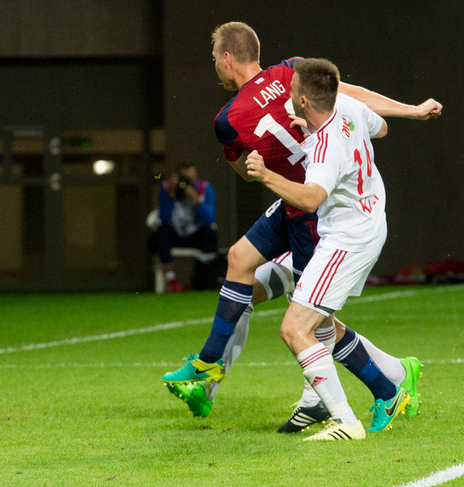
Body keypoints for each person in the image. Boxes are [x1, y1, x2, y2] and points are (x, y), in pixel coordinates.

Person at [161, 22, 440, 426]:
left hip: (316, 216)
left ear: (227, 58)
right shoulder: (291, 70)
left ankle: (378, 389)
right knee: (241, 263)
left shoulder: (228, 119)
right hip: (297, 207)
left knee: (310, 323)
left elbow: (249, 174)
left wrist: (266, 167)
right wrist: (410, 109)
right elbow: (354, 98)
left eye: (215, 59)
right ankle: (209, 371)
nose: (215, 67)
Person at [245, 58, 403, 439]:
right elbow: (381, 128)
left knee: (294, 328)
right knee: (323, 325)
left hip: (348, 239)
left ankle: (345, 421)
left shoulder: (325, 144)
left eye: (291, 88)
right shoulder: (346, 105)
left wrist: (266, 175)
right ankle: (388, 390)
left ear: (303, 100)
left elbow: (311, 198)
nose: (287, 92)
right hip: (368, 222)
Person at [153, 163, 218, 293]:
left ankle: (200, 279)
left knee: (211, 234)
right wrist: (171, 194)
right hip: (175, 235)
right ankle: (171, 280)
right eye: (185, 178)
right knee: (161, 232)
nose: (187, 183)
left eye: (191, 178)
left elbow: (210, 219)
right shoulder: (167, 187)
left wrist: (196, 200)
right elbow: (163, 218)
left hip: (195, 234)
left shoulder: (205, 188)